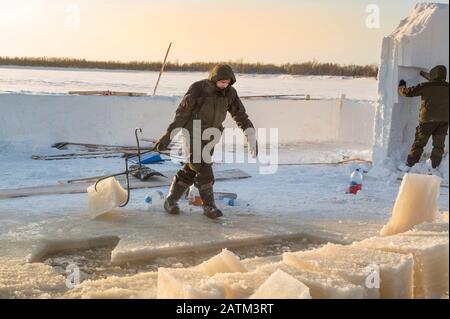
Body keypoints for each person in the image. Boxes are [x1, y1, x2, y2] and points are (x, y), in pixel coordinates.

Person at [155, 64, 257, 219]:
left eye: (227, 82)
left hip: (211, 136)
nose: (224, 85)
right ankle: (209, 206)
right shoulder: (198, 89)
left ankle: (170, 200)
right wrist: (167, 137)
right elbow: (181, 115)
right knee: (203, 168)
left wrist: (249, 134)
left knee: (192, 169)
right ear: (214, 78)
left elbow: (240, 115)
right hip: (192, 133)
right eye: (221, 81)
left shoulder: (230, 93)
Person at [398, 65, 449, 173]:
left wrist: (401, 87)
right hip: (443, 121)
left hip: (427, 121)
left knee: (419, 144)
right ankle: (434, 167)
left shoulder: (426, 86)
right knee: (438, 146)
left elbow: (408, 92)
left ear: (433, 74)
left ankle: (410, 165)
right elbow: (439, 86)